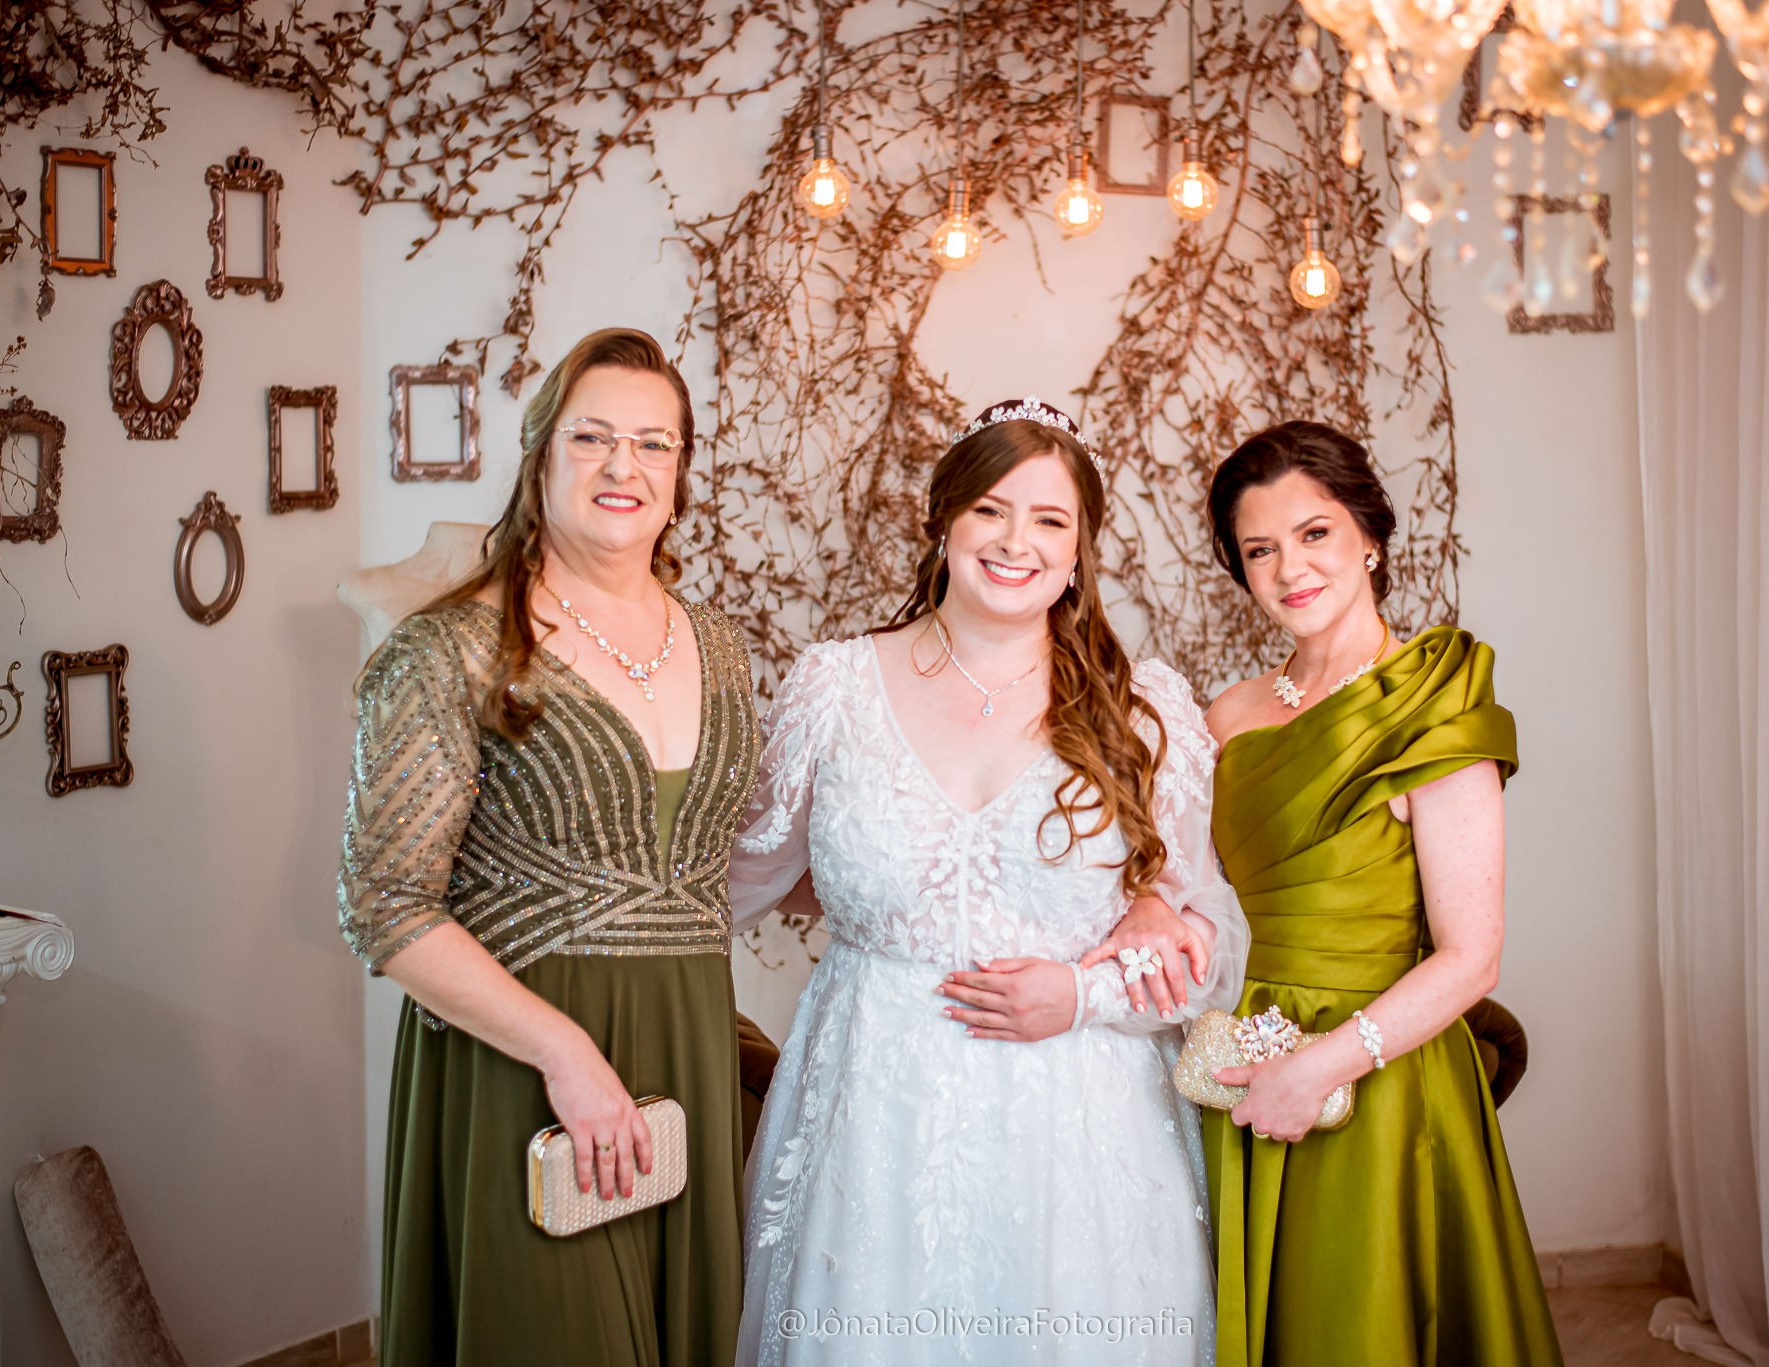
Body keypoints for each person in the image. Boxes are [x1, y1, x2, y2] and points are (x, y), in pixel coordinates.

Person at [728, 398, 1248, 1366]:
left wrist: (1081, 990)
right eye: (991, 510)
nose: (1017, 542)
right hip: (871, 1109)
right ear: (942, 519)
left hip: (1078, 1121)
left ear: (1080, 546)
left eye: (1050, 520)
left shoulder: (1141, 712)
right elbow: (748, 875)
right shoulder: (832, 686)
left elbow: (1197, 935)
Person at [338, 328, 760, 1366]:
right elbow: (384, 905)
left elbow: (724, 860)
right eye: (593, 437)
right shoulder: (453, 648)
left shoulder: (720, 644)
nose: (624, 466)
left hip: (686, 1058)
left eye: (654, 444)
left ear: (680, 475)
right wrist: (565, 1055)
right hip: (522, 1072)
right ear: (537, 460)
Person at [1195, 420, 1563, 1367]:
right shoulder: (1228, 716)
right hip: (1256, 1045)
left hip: (1382, 1075)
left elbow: (1473, 955)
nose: (1290, 569)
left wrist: (1323, 1066)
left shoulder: (1429, 698)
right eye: (1260, 549)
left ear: (1369, 534)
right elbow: (1175, 876)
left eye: (1314, 533)